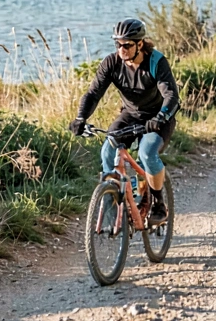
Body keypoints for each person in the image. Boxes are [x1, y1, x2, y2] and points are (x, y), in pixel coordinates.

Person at [70, 18, 179, 224]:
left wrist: (161, 117)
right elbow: (93, 94)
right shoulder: (112, 63)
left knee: (147, 153)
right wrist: (80, 118)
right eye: (118, 44)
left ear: (140, 44)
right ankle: (112, 210)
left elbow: (171, 96)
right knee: (108, 151)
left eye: (127, 45)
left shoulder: (156, 62)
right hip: (130, 115)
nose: (122, 49)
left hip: (158, 117)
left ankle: (158, 204)